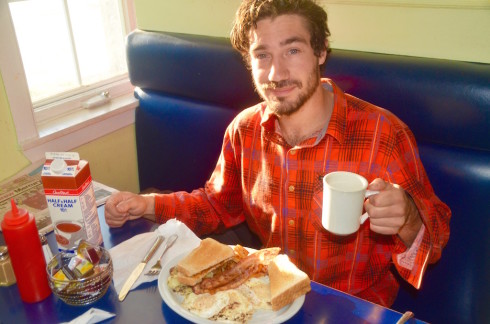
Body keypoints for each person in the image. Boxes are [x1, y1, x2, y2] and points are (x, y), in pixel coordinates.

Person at [105, 0, 450, 307]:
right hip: (264, 302)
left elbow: (434, 244)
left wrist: (408, 218)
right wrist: (147, 205)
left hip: (352, 310)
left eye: (293, 50)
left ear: (321, 52)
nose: (276, 73)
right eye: (262, 55)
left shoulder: (383, 135)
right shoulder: (244, 130)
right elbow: (216, 204)